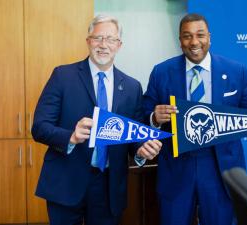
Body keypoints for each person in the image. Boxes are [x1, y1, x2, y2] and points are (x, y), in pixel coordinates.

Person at [143, 13, 247, 225]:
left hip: (220, 170)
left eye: (200, 35)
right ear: (180, 40)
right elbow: (144, 114)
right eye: (187, 36)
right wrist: (155, 118)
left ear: (209, 37)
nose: (194, 42)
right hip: (176, 169)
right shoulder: (161, 72)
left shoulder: (235, 71)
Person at [32, 14, 162, 225]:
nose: (103, 45)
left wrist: (141, 150)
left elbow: (133, 136)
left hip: (108, 186)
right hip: (66, 182)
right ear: (88, 41)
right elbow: (39, 127)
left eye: (110, 39)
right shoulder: (62, 76)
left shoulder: (132, 87)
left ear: (119, 45)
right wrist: (71, 137)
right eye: (97, 38)